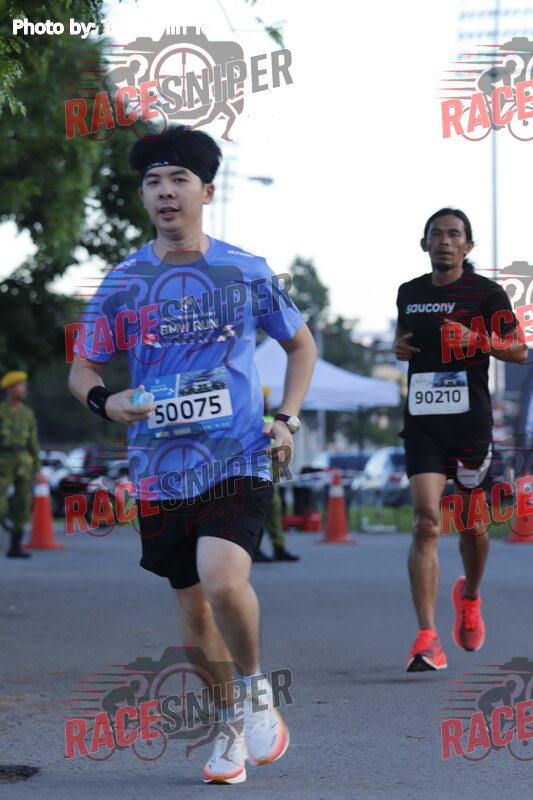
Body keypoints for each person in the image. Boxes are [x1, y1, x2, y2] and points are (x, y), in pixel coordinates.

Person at [68, 125, 317, 784]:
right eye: (153, 181)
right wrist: (106, 403)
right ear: (143, 196)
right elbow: (83, 369)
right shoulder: (124, 282)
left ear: (206, 192)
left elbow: (301, 346)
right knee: (192, 608)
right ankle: (228, 725)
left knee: (222, 578)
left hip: (237, 453)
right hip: (159, 467)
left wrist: (286, 419)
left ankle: (256, 690)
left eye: (179, 179)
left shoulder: (245, 271)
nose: (165, 191)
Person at [395, 208, 527, 672]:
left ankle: (469, 596)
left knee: (471, 524)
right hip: (423, 423)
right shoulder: (409, 292)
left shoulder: (486, 294)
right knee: (427, 522)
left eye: (454, 235)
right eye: (437, 234)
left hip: (470, 424)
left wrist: (478, 339)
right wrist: (398, 346)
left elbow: (519, 351)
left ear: (468, 246)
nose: (445, 241)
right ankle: (427, 637)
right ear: (425, 243)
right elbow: (406, 337)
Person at [254, 387, 300, 562]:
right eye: (265, 399)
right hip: (256, 471)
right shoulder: (256, 421)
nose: (268, 402)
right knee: (257, 512)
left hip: (270, 471)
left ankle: (278, 547)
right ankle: (255, 549)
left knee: (274, 512)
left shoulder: (273, 421)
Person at [0, 371, 41, 558]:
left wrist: (37, 468)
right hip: (3, 461)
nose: (24, 389)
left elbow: (33, 442)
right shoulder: (1, 412)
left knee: (23, 503)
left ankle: (15, 547)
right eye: (20, 385)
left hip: (24, 462)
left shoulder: (28, 413)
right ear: (10, 388)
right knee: (1, 505)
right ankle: (4, 522)